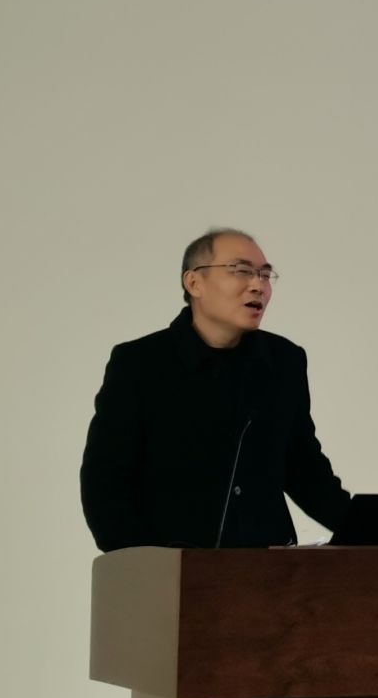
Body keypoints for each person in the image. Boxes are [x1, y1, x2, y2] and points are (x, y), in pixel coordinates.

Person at [80, 228, 350, 550]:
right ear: (194, 283)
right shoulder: (140, 364)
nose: (258, 285)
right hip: (170, 567)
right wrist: (144, 561)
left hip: (270, 566)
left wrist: (372, 530)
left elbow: (304, 470)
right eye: (242, 271)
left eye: (265, 275)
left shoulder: (283, 362)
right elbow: (105, 482)